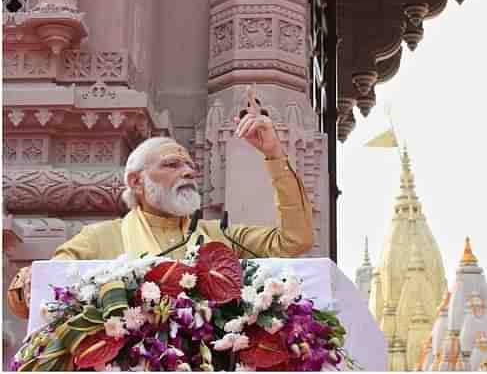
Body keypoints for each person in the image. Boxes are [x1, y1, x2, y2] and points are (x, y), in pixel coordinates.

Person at [8, 95, 313, 318]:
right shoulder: (98, 239)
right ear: (136, 181)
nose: (188, 172)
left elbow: (294, 241)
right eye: (171, 164)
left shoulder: (219, 236)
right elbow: (28, 304)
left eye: (190, 166)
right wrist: (30, 282)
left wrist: (274, 154)